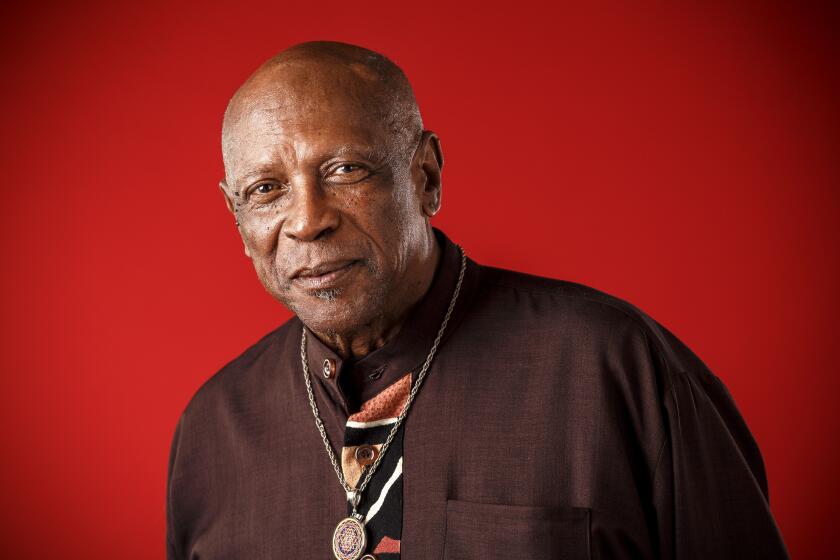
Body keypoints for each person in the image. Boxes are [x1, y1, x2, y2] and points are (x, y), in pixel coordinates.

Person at [166, 41, 789, 560]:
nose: (307, 221)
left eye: (345, 171)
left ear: (426, 177)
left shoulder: (616, 368)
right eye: (266, 189)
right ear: (237, 217)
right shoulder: (210, 433)